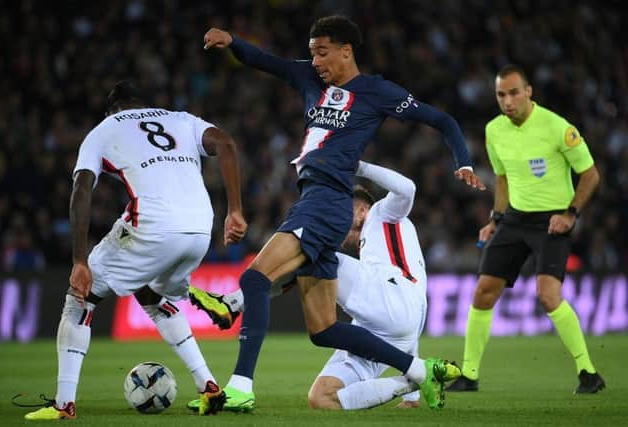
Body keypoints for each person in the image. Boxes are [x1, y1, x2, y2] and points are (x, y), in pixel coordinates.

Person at [195, 15, 484, 411]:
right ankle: (417, 370)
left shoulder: (377, 91)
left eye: (322, 52)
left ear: (346, 51)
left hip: (328, 200)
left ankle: (241, 382)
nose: (314, 61)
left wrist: (462, 161)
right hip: (315, 198)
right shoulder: (309, 80)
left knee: (255, 279)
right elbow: (267, 61)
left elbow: (442, 119)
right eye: (312, 53)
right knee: (324, 330)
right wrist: (233, 42)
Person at [24, 81, 248, 420]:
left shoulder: (104, 129)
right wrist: (235, 210)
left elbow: (81, 189)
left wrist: (79, 260)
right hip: (202, 227)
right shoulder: (181, 119)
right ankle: (208, 385)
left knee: (79, 300)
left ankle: (63, 404)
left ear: (112, 109)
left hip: (154, 225)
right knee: (152, 296)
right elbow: (227, 143)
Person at [188, 161, 440, 411]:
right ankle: (413, 380)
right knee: (322, 398)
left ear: (362, 209)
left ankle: (233, 302)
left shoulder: (382, 213)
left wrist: (357, 166)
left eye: (343, 211)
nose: (339, 228)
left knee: (312, 249)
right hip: (398, 327)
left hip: (394, 300)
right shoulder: (379, 252)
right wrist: (411, 396)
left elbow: (407, 188)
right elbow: (406, 317)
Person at [447, 65, 604, 394]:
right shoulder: (494, 131)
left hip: (551, 221)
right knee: (483, 292)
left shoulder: (557, 127)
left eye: (514, 92)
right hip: (515, 219)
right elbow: (503, 178)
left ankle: (589, 373)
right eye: (501, 95)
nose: (508, 101)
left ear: (529, 91)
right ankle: (470, 376)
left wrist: (571, 213)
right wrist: (495, 219)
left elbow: (590, 175)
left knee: (548, 297)